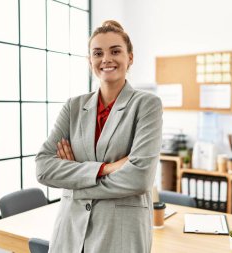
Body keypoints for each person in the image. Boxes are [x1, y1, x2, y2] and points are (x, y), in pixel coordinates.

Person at [35, 20, 163, 253]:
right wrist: (106, 168)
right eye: (98, 53)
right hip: (70, 232)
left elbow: (140, 178)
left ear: (130, 58)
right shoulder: (73, 107)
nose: (106, 59)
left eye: (115, 51)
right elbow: (43, 168)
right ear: (89, 61)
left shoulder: (146, 105)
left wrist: (74, 182)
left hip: (120, 234)